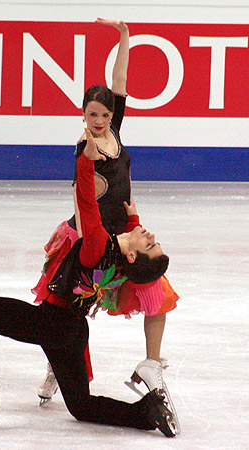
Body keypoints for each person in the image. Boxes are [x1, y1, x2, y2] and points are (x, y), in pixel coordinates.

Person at [0, 129, 177, 438]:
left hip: (50, 322)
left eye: (151, 245)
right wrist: (132, 221)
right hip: (73, 331)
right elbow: (129, 250)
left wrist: (85, 161)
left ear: (133, 254)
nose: (153, 237)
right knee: (81, 406)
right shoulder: (121, 261)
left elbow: (87, 203)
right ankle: (145, 412)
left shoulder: (97, 247)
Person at [34, 18, 179, 410]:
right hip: (95, 242)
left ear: (111, 115)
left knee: (158, 293)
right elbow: (82, 200)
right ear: (83, 115)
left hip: (128, 235)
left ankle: (150, 364)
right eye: (91, 115)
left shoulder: (114, 129)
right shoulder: (85, 148)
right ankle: (57, 365)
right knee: (67, 312)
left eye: (103, 115)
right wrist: (88, 249)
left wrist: (125, 37)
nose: (97, 122)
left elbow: (119, 80)